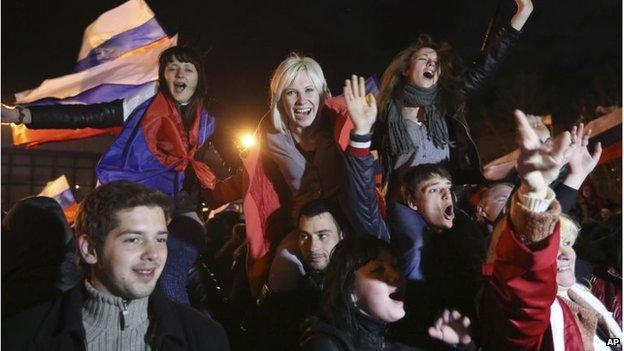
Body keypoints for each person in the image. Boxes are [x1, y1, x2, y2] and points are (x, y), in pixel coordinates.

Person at [3, 46, 240, 303]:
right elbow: (87, 115)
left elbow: (239, 165)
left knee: (171, 282)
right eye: (172, 68)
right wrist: (22, 115)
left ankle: (181, 338)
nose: (179, 74)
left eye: (188, 69)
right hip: (138, 216)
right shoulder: (143, 105)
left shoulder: (211, 118)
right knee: (113, 281)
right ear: (163, 76)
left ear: (198, 79)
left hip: (183, 218)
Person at [2, 180, 230, 350]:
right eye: (134, 239)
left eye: (160, 239)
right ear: (90, 250)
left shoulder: (204, 337)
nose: (153, 254)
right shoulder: (20, 336)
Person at [342, 76, 485, 341]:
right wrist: (362, 133)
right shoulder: (391, 241)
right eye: (433, 190)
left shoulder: (472, 235)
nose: (446, 194)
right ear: (411, 201)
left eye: (448, 187)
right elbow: (362, 202)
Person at [479, 110, 622, 350]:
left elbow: (612, 340)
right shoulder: (535, 320)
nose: (565, 253)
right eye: (552, 248)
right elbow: (526, 284)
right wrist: (534, 193)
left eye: (566, 243)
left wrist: (576, 176)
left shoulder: (583, 300)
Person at [376, 0, 533, 197]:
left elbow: (487, 64)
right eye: (424, 59)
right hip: (404, 203)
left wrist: (523, 11)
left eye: (436, 62)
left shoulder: (446, 102)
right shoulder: (385, 110)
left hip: (446, 201)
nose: (432, 64)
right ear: (406, 69)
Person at [244, 53, 357, 294]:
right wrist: (212, 190)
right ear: (279, 99)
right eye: (291, 92)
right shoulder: (269, 135)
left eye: (309, 90)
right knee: (280, 274)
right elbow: (254, 182)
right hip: (303, 229)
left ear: (322, 93)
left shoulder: (340, 122)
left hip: (348, 222)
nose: (301, 100)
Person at [299, 235, 475, 351]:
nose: (396, 276)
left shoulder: (404, 335)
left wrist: (462, 345)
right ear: (350, 290)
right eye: (377, 270)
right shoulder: (325, 344)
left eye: (395, 266)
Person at [254, 198, 346, 350]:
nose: (312, 247)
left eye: (322, 235)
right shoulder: (289, 293)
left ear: (342, 235)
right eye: (304, 236)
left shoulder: (358, 283)